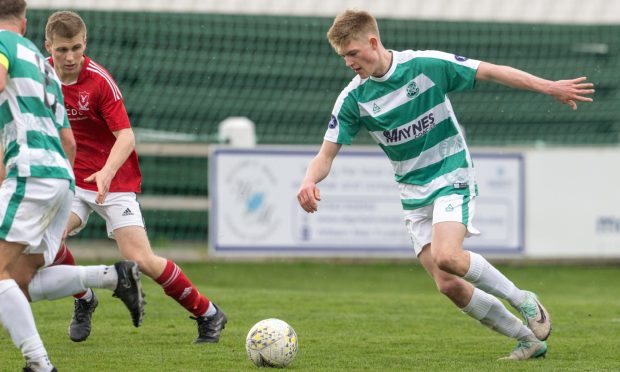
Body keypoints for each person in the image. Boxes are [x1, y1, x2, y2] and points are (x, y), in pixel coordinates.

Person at [297, 10, 595, 361]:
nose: (348, 63)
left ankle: (523, 299)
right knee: (448, 284)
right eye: (343, 56)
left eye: (351, 53)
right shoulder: (353, 99)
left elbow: (492, 71)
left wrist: (548, 86)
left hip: (452, 173)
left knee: (448, 255)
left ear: (373, 43)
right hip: (412, 192)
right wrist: (308, 179)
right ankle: (529, 340)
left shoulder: (425, 65)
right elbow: (325, 155)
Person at [44, 10, 227, 344]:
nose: (70, 57)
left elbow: (126, 136)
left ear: (84, 43)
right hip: (69, 179)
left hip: (113, 179)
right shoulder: (39, 76)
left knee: (139, 260)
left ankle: (208, 313)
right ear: (48, 47)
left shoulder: (99, 81)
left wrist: (106, 172)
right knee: (48, 242)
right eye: (61, 50)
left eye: (75, 48)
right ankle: (84, 300)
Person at [0, 1, 144, 371]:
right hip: (60, 178)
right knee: (21, 278)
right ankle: (113, 276)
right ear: (27, 23)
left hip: (30, 174)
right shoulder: (38, 63)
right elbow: (69, 140)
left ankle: (40, 364)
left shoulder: (4, 46)